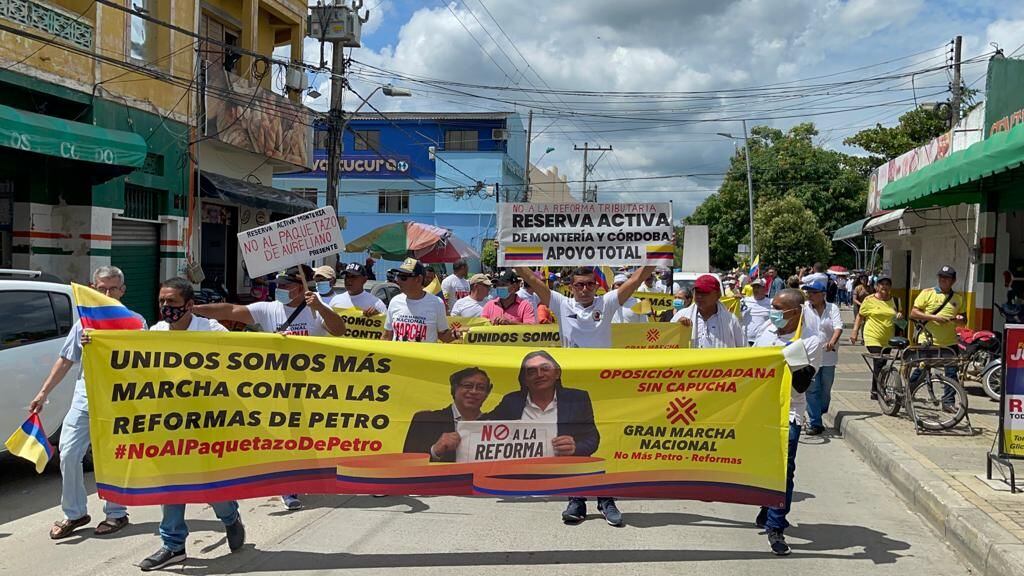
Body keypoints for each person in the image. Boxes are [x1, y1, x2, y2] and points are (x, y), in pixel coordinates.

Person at [194, 264, 346, 511]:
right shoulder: (268, 309)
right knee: (285, 436)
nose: (281, 290)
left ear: (300, 288)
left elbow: (339, 331)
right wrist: (197, 309)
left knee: (308, 435)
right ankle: (288, 487)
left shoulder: (317, 310)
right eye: (280, 286)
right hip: (279, 388)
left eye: (286, 286)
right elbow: (232, 310)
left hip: (313, 387)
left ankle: (309, 473)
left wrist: (319, 307)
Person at [516, 264, 654, 526]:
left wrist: (655, 259)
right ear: (571, 287)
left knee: (607, 439)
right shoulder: (560, 303)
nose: (584, 289)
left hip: (604, 385)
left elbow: (637, 279)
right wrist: (510, 255)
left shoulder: (608, 302)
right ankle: (576, 497)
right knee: (574, 441)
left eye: (589, 284)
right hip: (572, 388)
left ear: (597, 286)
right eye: (579, 285)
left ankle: (606, 497)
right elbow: (530, 279)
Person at [138, 278, 244, 571]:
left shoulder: (212, 330)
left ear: (189, 305)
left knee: (209, 483)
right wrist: (95, 345)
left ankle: (230, 517)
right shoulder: (156, 332)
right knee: (172, 482)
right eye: (162, 302)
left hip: (207, 421)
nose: (165, 308)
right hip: (169, 421)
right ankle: (173, 545)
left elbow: (243, 360)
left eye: (171, 302)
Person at [29, 266, 143, 540]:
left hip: (119, 398)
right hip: (86, 395)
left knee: (112, 455)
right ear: (93, 289)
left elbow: (143, 362)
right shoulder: (84, 323)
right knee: (68, 451)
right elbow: (66, 359)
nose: (106, 294)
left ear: (122, 290)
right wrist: (43, 393)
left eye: (112, 288)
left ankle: (116, 513)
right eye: (101, 288)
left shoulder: (135, 321)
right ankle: (74, 513)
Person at [753, 288, 822, 556]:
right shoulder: (765, 333)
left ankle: (776, 525)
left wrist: (787, 357)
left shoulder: (811, 342)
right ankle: (766, 505)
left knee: (784, 467)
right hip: (758, 411)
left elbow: (801, 384)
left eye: (779, 309)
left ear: (795, 312)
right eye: (772, 307)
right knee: (761, 464)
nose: (774, 313)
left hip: (788, 411)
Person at [486, 351, 599, 458]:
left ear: (557, 373)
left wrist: (575, 448)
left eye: (545, 368)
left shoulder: (576, 399)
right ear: (525, 379)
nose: (539, 375)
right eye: (531, 371)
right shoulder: (511, 401)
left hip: (563, 470)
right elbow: (483, 426)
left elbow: (592, 439)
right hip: (521, 470)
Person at [403, 367, 493, 462]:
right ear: (455, 388)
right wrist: (435, 450)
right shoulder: (426, 420)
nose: (474, 391)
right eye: (468, 386)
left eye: (481, 388)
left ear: (487, 394)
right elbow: (407, 463)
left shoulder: (495, 425)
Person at [908, 265, 966, 408]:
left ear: (953, 280)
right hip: (928, 339)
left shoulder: (958, 298)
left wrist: (959, 319)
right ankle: (907, 394)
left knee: (951, 372)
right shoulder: (927, 293)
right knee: (922, 368)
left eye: (947, 278)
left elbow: (964, 321)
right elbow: (913, 313)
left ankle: (948, 402)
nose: (943, 280)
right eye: (941, 277)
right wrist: (934, 317)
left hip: (949, 341)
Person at [802, 279, 843, 435]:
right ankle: (815, 422)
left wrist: (832, 342)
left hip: (828, 357)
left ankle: (819, 411)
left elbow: (838, 327)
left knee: (825, 389)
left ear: (823, 294)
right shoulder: (804, 308)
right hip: (810, 356)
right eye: (808, 293)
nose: (810, 296)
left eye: (813, 293)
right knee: (812, 389)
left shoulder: (832, 309)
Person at [851, 275, 901, 400]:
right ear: (877, 286)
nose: (884, 286)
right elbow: (860, 316)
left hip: (888, 338)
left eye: (887, 284)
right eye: (882, 284)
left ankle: (875, 390)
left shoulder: (895, 300)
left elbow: (899, 322)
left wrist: (900, 317)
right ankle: (880, 391)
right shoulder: (869, 300)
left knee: (883, 364)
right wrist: (855, 332)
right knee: (879, 361)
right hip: (872, 336)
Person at [383, 258, 456, 343]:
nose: (398, 280)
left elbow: (443, 335)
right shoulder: (395, 301)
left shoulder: (437, 303)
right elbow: (387, 335)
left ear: (418, 279)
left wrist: (458, 334)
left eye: (403, 277)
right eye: (398, 276)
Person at [673, 274, 745, 348]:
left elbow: (744, 351)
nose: (699, 296)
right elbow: (667, 344)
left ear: (718, 295)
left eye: (705, 292)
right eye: (697, 292)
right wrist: (676, 328)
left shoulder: (731, 321)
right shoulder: (680, 316)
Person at [742, 279, 772, 345]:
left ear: (764, 289)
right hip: (745, 340)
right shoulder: (744, 301)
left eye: (758, 287)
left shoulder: (771, 303)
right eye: (754, 287)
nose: (755, 290)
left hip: (763, 340)